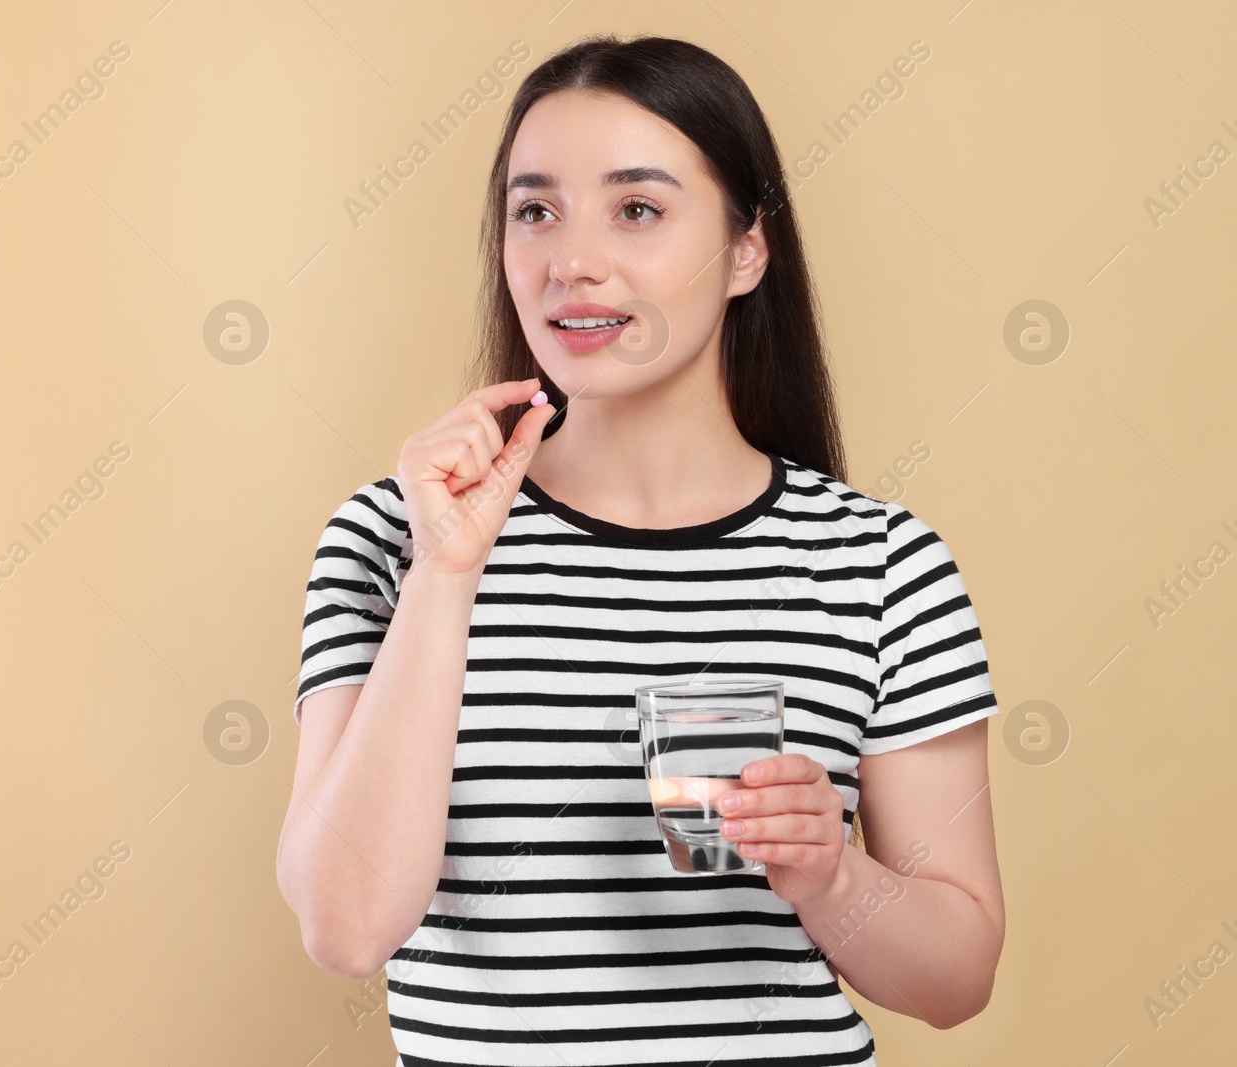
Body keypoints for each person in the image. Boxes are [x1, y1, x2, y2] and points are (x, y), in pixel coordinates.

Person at [277, 33, 1004, 1066]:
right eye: (535, 210)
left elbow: (957, 978)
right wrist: (444, 577)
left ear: (747, 250)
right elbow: (345, 926)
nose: (571, 259)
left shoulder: (881, 565)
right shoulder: (390, 535)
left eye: (637, 209)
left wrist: (832, 878)